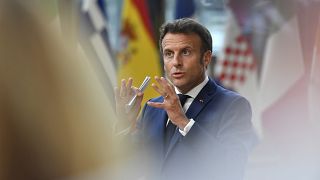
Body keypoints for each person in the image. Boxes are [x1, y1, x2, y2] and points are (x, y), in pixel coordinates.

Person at [115, 18, 257, 180]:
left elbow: (232, 167)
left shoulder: (233, 105)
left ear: (206, 58)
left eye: (186, 52)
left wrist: (184, 122)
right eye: (169, 54)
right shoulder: (152, 107)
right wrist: (125, 123)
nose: (176, 62)